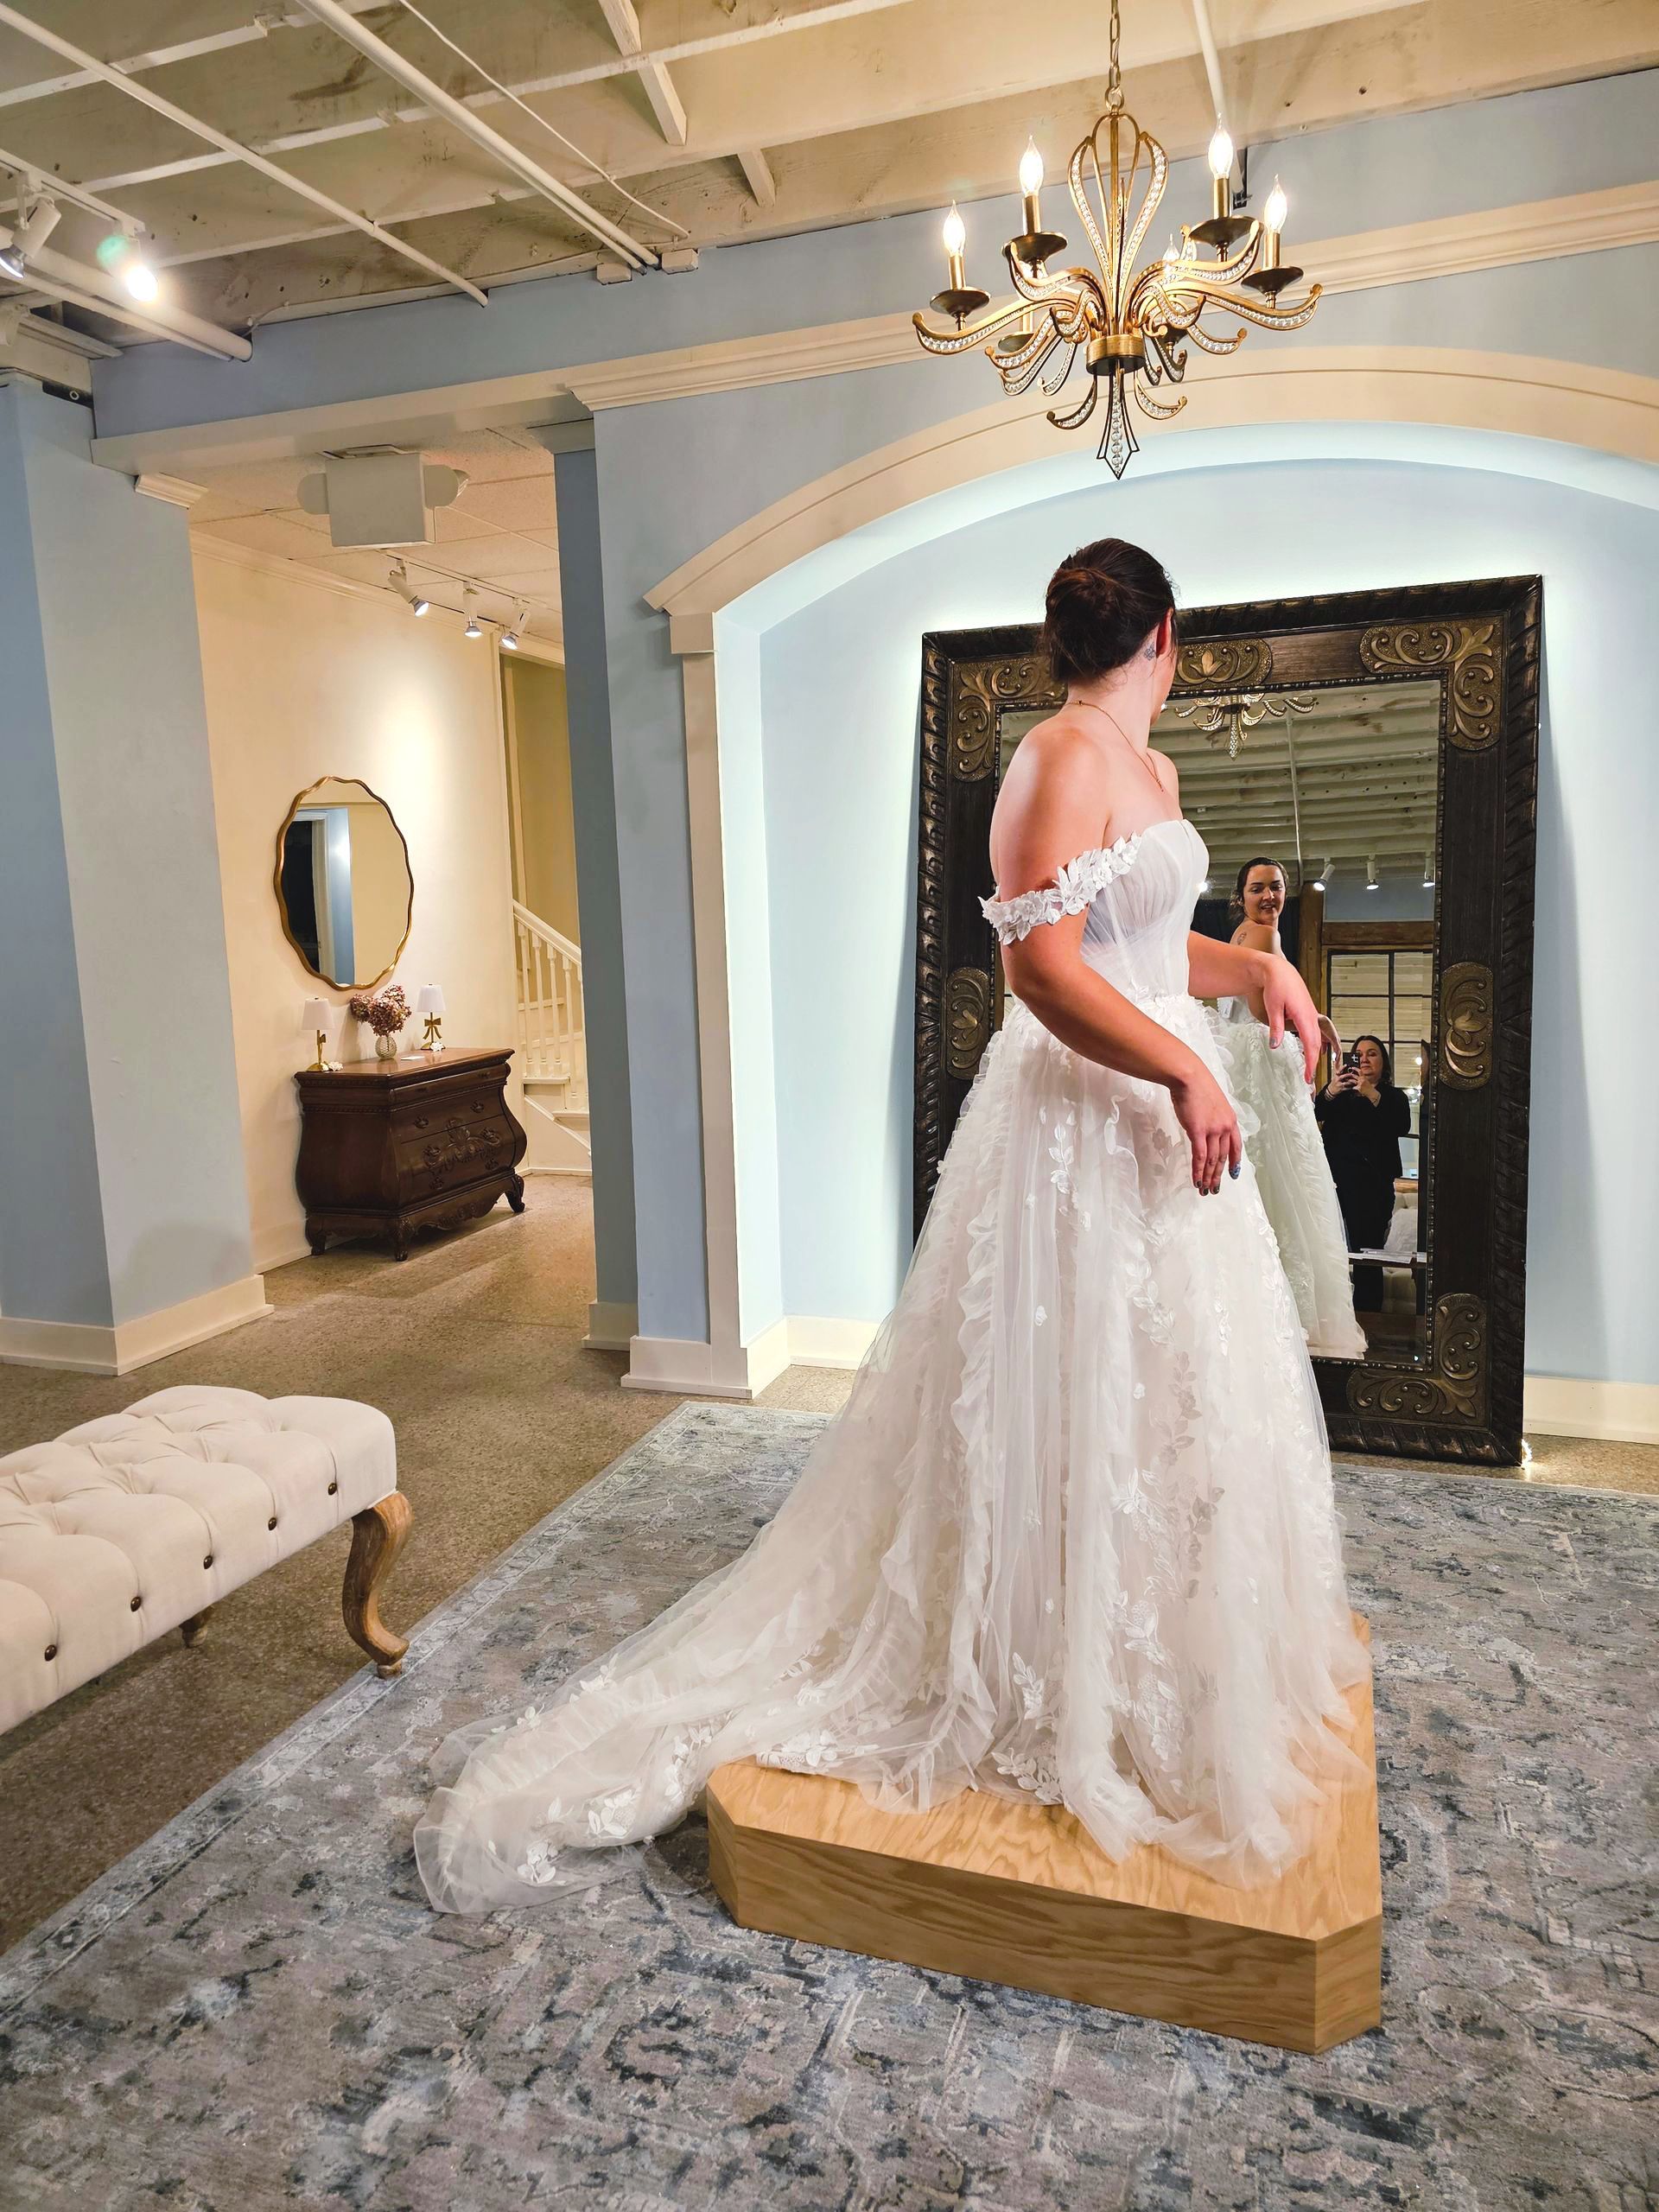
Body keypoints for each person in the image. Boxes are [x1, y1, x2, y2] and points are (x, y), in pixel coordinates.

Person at [414, 537, 1370, 1915]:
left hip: (1161, 1119)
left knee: (1171, 1395)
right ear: (1169, 636)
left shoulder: (1151, 773)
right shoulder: (1055, 761)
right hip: (1081, 1116)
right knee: (1062, 1386)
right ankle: (1041, 1655)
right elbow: (1041, 974)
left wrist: (1262, 967)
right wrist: (1181, 1065)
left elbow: (1152, 948)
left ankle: (1156, 1645)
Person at [1208, 858, 1366, 1359]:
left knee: (1268, 1186)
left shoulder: (1241, 937)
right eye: (1258, 889)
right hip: (1258, 1079)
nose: (1269, 898)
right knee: (1285, 1187)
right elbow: (1262, 1014)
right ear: (1242, 896)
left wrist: (1312, 1015)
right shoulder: (1262, 939)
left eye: (1276, 888)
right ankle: (1286, 1317)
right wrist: (1305, 1024)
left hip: (1244, 1076)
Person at [1315, 1034, 1413, 1313]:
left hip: (1372, 1186)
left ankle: (1369, 1316)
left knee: (1367, 1253)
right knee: (1331, 1250)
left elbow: (1400, 1125)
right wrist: (1332, 1089)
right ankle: (1334, 1312)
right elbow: (1311, 1116)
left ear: (1383, 1062)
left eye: (1372, 1054)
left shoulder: (1393, 1097)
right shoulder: (1338, 1094)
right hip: (1334, 1183)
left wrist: (1370, 1092)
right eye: (1358, 1054)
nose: (1365, 1059)